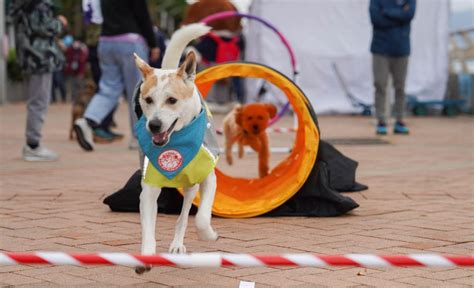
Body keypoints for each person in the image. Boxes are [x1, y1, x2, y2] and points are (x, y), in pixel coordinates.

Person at [74, 0, 159, 151]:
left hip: (105, 41)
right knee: (138, 91)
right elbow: (142, 15)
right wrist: (153, 43)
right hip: (130, 41)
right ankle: (138, 138)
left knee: (108, 88)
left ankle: (88, 120)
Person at [8, 0, 67, 161]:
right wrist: (59, 23)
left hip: (29, 55)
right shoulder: (38, 3)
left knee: (36, 101)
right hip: (40, 56)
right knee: (39, 101)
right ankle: (33, 145)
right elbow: (43, 26)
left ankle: (33, 143)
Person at [370, 0, 416, 135]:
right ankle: (381, 120)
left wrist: (387, 12)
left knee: (400, 87)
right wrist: (400, 13)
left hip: (402, 50)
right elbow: (376, 19)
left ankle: (400, 120)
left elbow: (409, 15)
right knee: (380, 85)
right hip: (380, 50)